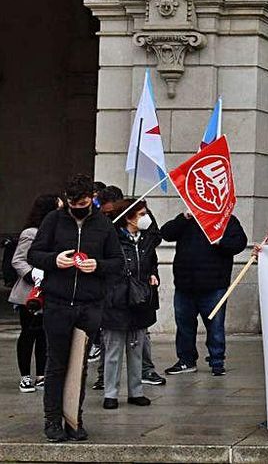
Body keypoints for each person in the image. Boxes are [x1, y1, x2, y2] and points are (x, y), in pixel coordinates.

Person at [27, 174, 123, 442]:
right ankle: (52, 420)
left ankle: (74, 418)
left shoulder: (103, 225)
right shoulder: (53, 221)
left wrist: (98, 266)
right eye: (72, 201)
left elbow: (117, 262)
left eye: (81, 201)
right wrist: (54, 260)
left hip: (89, 305)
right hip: (58, 304)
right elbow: (33, 254)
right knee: (56, 364)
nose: (76, 206)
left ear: (90, 199)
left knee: (78, 366)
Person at [160, 210, 248, 377]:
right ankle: (186, 360)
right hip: (185, 284)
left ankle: (217, 361)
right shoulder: (188, 220)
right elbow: (166, 233)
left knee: (215, 326)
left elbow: (239, 243)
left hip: (214, 285)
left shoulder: (226, 220)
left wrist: (221, 242)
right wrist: (183, 218)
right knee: (184, 325)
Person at [99, 199, 158, 410]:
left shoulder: (145, 240)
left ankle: (136, 391)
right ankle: (110, 393)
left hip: (139, 300)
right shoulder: (112, 239)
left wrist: (152, 274)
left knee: (136, 348)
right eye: (141, 214)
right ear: (128, 217)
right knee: (113, 350)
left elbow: (152, 260)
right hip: (116, 300)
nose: (145, 217)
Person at [9, 194, 59, 392]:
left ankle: (40, 374)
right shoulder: (31, 233)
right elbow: (18, 260)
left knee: (44, 335)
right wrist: (32, 274)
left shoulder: (56, 231)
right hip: (30, 292)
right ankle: (24, 376)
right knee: (28, 334)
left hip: (49, 290)